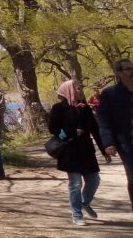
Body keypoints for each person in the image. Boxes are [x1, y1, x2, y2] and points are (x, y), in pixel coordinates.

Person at [50, 79, 110, 226]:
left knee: (94, 181)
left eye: (81, 87)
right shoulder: (58, 108)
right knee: (75, 183)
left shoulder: (85, 108)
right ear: (69, 90)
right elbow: (53, 128)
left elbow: (95, 129)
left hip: (86, 150)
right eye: (77, 88)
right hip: (69, 151)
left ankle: (84, 202)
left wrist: (104, 150)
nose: (81, 90)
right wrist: (72, 132)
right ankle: (76, 213)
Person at [97, 58, 133, 212]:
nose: (132, 71)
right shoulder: (110, 94)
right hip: (126, 143)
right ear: (119, 73)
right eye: (128, 69)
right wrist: (108, 143)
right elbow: (104, 120)